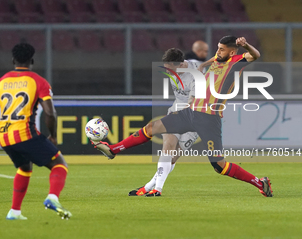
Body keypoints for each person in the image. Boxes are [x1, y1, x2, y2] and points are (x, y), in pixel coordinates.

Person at [94, 36, 273, 198]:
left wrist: (246, 45)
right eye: (217, 48)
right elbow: (206, 64)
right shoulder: (217, 60)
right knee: (152, 127)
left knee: (219, 166)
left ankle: (260, 182)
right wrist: (203, 66)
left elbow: (255, 55)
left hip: (209, 118)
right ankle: (113, 150)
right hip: (190, 112)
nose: (217, 51)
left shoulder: (236, 62)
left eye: (222, 49)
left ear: (232, 52)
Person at [0, 43, 72, 220]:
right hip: (24, 134)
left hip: (4, 137)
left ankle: (14, 212)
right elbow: (50, 113)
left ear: (13, 60)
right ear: (32, 61)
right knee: (59, 164)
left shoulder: (0, 81)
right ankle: (52, 198)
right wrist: (53, 135)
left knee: (24, 167)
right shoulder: (38, 81)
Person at [129, 47, 202, 197]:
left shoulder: (197, 77)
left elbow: (192, 102)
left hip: (196, 116)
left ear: (181, 65)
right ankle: (158, 189)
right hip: (176, 110)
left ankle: (149, 186)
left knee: (173, 157)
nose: (167, 72)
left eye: (170, 69)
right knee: (167, 146)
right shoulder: (174, 68)